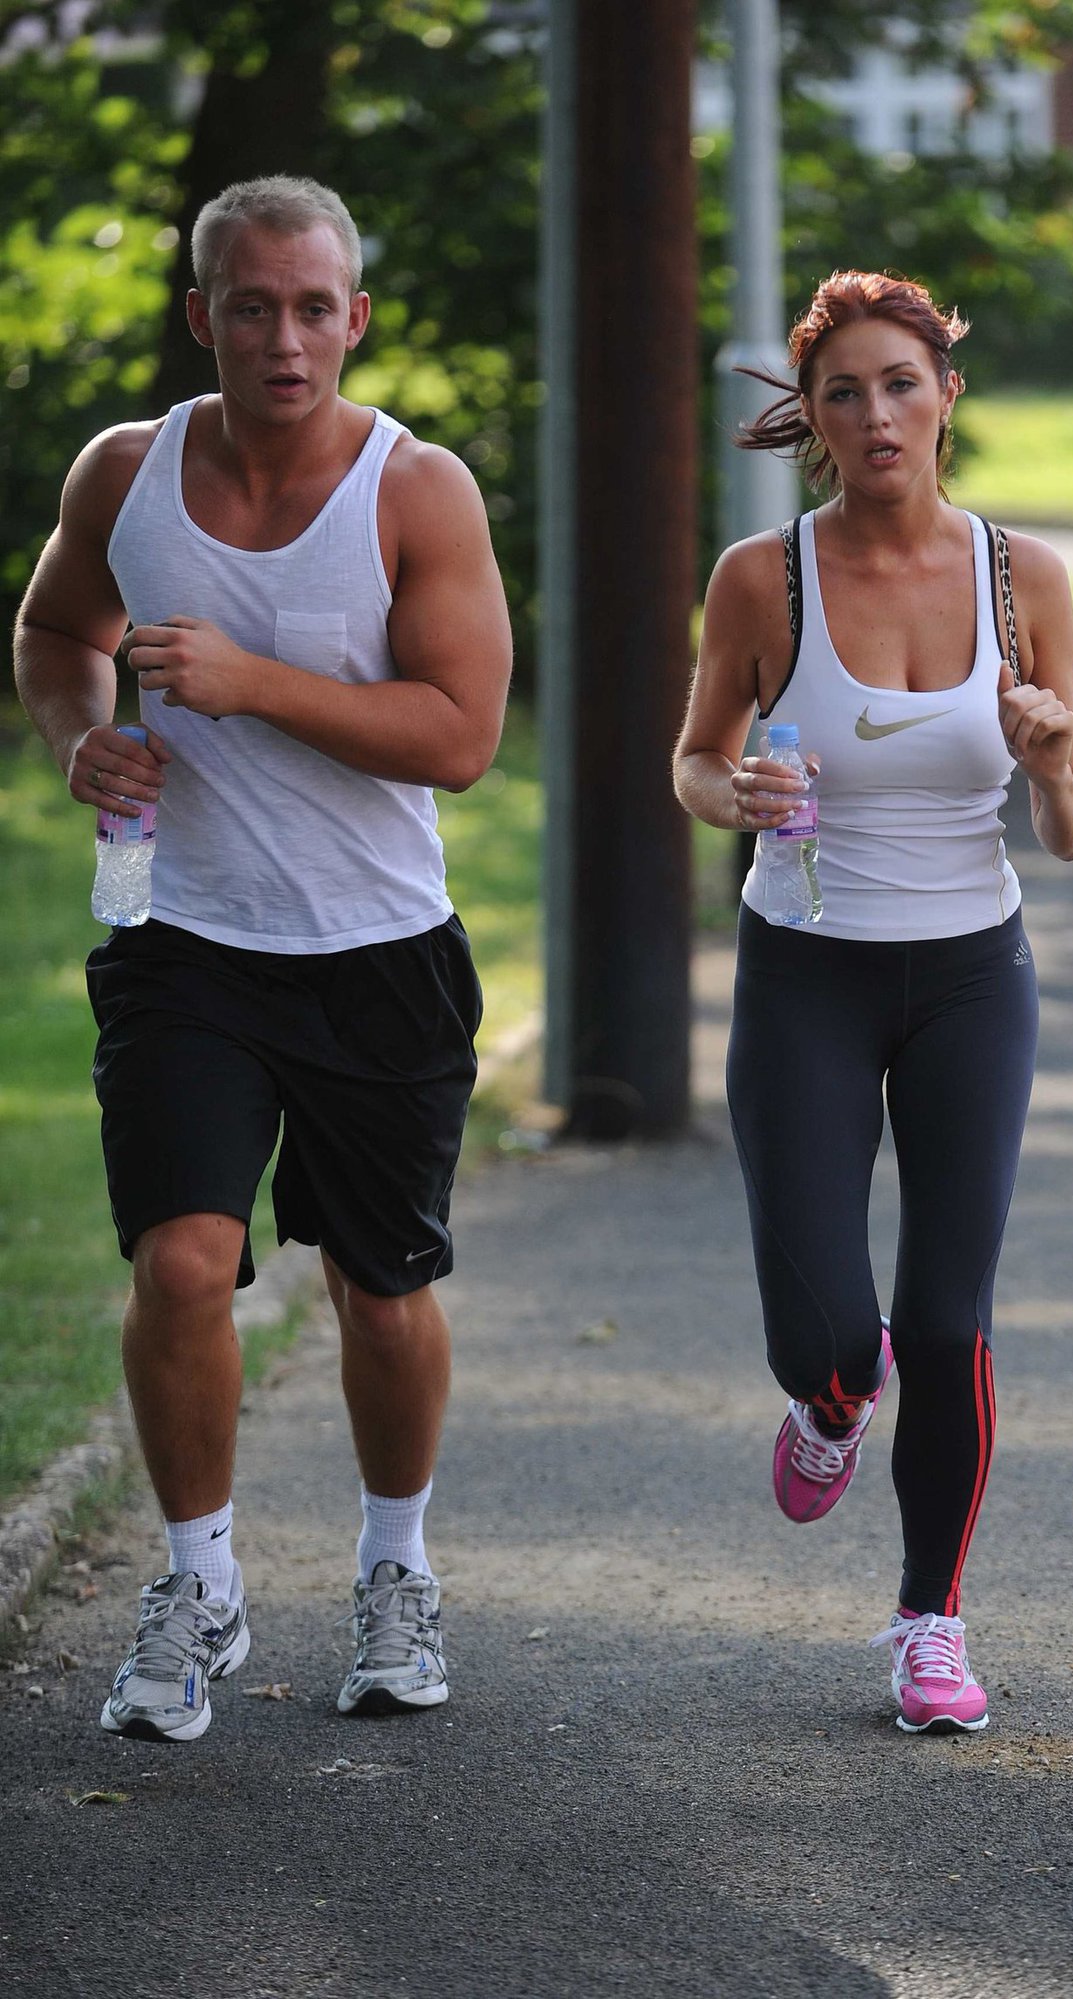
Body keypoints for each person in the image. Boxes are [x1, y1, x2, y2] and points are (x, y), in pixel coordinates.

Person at [13, 175, 512, 1740]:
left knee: (380, 1290)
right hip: (185, 941)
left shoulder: (416, 491)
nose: (284, 340)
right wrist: (83, 739)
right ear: (202, 317)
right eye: (251, 307)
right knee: (180, 1264)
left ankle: (395, 1568)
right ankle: (198, 1586)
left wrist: (251, 683)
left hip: (378, 949)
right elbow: (55, 632)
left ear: (354, 320)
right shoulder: (127, 472)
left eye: (312, 309)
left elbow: (464, 738)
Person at [673, 270, 1073, 1735]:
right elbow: (694, 758)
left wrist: (1051, 758)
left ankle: (930, 1622)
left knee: (946, 1316)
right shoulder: (763, 579)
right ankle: (827, 1402)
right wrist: (731, 791)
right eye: (844, 392)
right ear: (814, 417)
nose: (876, 416)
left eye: (901, 385)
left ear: (946, 397)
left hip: (974, 973)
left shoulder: (1023, 580)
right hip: (806, 967)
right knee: (833, 1331)